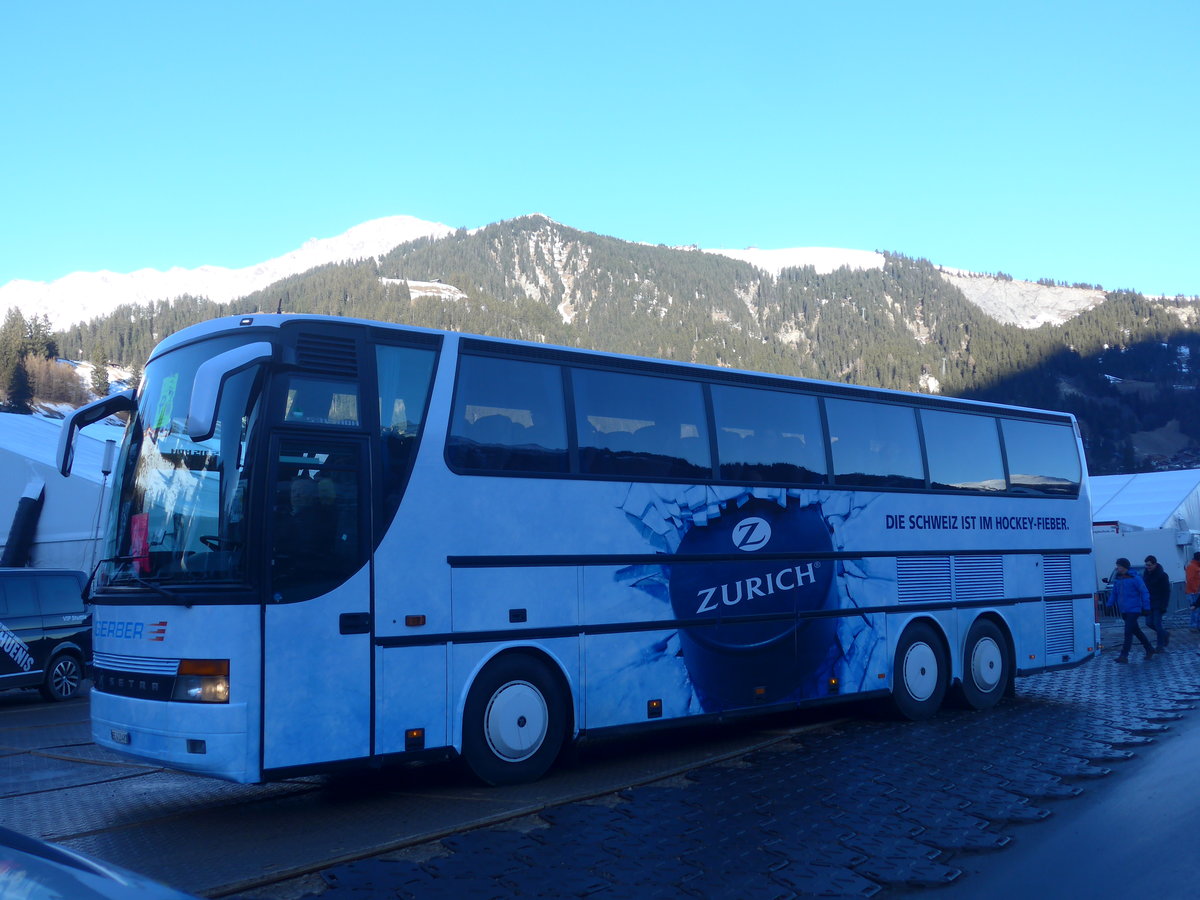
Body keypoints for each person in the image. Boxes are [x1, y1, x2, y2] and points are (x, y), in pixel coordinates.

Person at [1110, 557, 1154, 664]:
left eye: (1119, 566)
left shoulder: (1135, 578)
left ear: (1124, 567)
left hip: (1134, 609)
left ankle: (1124, 655)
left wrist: (1147, 607)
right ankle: (1149, 648)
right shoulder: (1119, 579)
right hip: (1124, 610)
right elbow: (1114, 593)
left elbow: (1144, 592)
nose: (1117, 568)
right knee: (1136, 631)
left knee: (1128, 632)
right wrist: (1109, 604)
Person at [1142, 555, 1170, 651]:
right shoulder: (1145, 575)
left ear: (1155, 564)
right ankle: (1165, 634)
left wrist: (1164, 605)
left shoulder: (1162, 575)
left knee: (1157, 625)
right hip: (1149, 603)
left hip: (1158, 603)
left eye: (1149, 565)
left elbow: (1166, 591)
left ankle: (1160, 646)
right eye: (1146, 565)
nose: (1148, 567)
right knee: (1149, 623)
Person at [1187, 552, 1200, 631]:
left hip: (1195, 591)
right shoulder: (1192, 567)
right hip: (1193, 592)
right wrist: (1195, 590)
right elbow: (1190, 579)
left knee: (1197, 610)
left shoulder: (1196, 566)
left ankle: (1197, 626)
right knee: (1195, 609)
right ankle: (1193, 626)